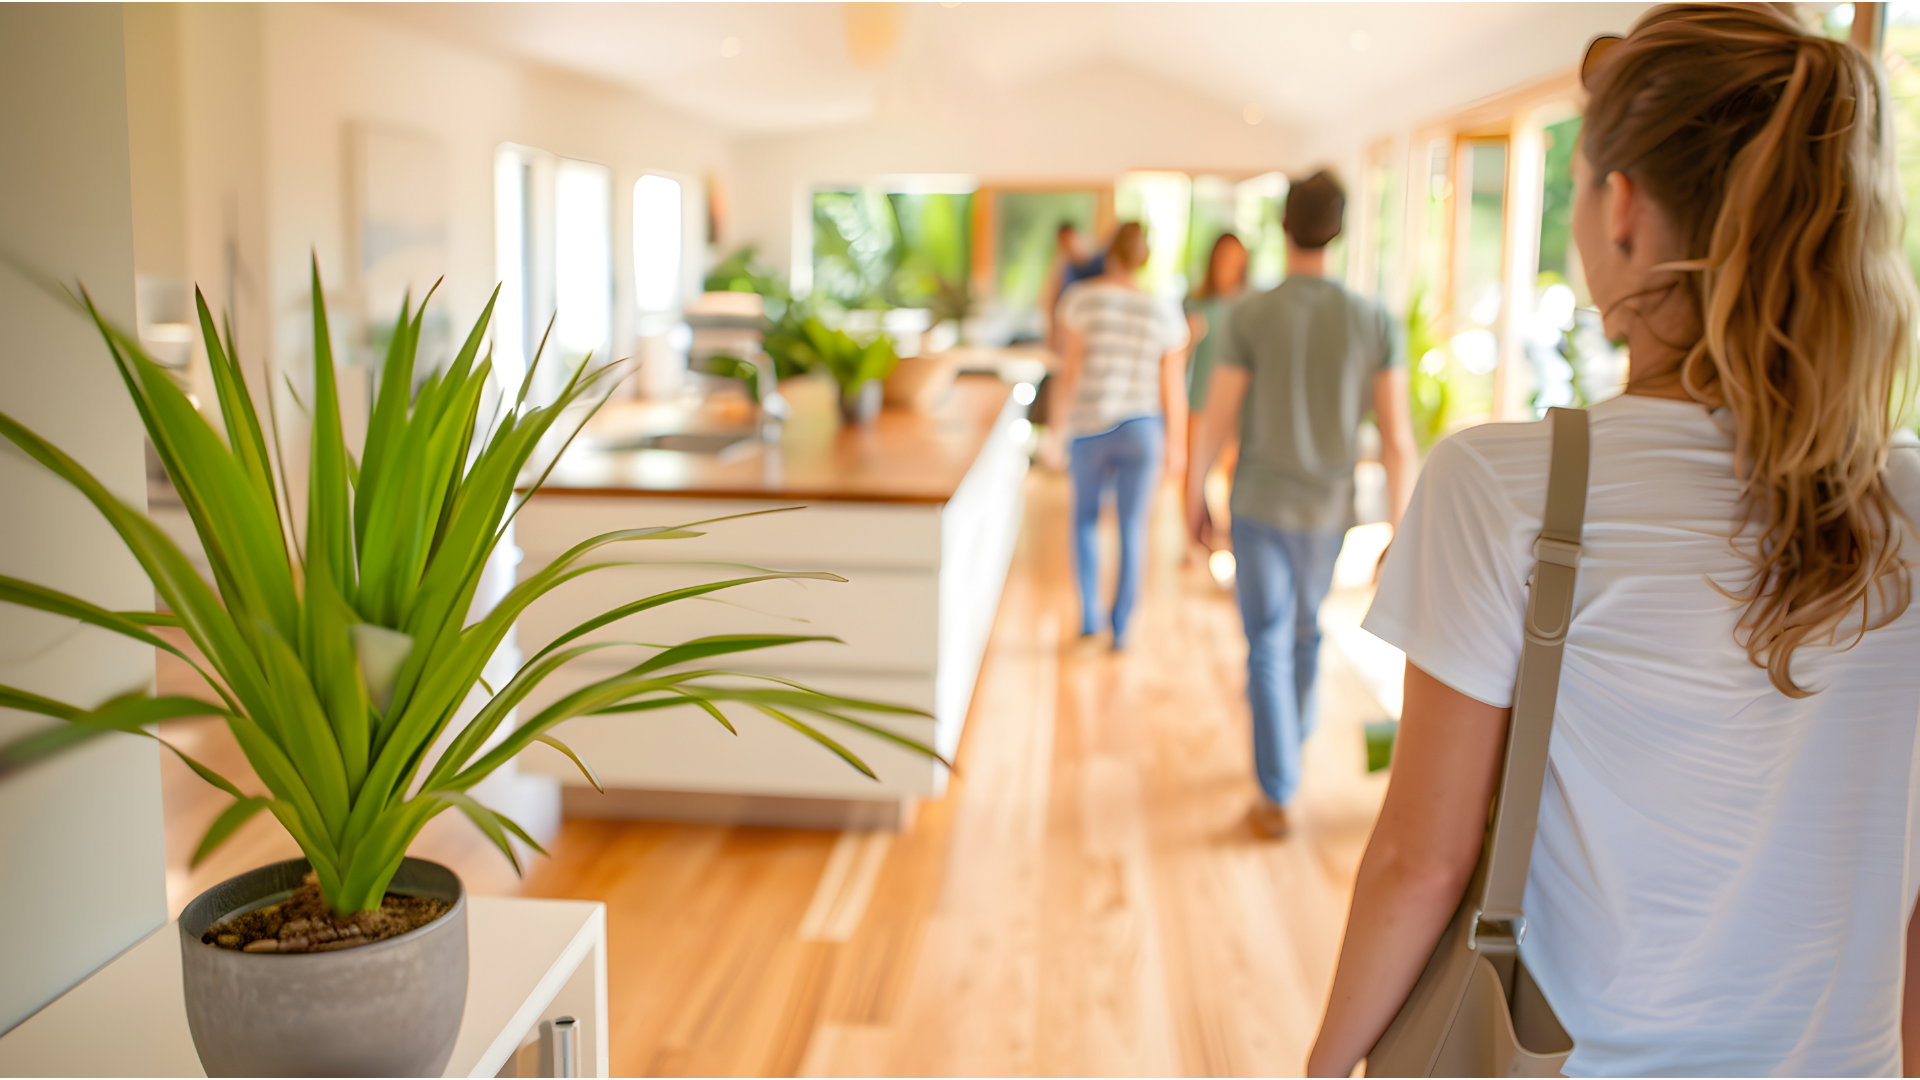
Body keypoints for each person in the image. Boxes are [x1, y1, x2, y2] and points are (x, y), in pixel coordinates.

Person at [1308, 6, 1920, 1076]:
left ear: (1623, 212)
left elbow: (1421, 861)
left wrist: (1323, 1068)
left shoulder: (1509, 487)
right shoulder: (1908, 498)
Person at [1185, 172, 1417, 840]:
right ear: (1338, 231)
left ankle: (1278, 788)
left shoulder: (1249, 314)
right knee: (1305, 629)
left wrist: (1195, 487)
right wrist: (1401, 529)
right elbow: (1398, 438)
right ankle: (1289, 742)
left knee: (1266, 642)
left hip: (1258, 505)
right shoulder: (1373, 318)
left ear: (1283, 226)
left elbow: (1217, 416)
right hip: (1328, 512)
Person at [1056, 222, 1189, 648]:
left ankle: (1090, 616)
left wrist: (1055, 432)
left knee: (1085, 522)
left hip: (1089, 425)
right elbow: (1173, 388)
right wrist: (1178, 446)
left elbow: (1070, 372)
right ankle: (1122, 628)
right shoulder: (1163, 310)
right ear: (1144, 259)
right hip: (1142, 428)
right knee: (1134, 528)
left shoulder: (1080, 301)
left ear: (1108, 252)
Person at [1183, 233, 1249, 532]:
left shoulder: (1250, 306)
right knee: (1195, 474)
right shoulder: (1196, 304)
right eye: (1224, 259)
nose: (1229, 267)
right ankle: (1192, 537)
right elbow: (1177, 362)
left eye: (1236, 261)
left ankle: (1230, 534)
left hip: (1239, 406)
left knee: (1233, 474)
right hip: (1200, 402)